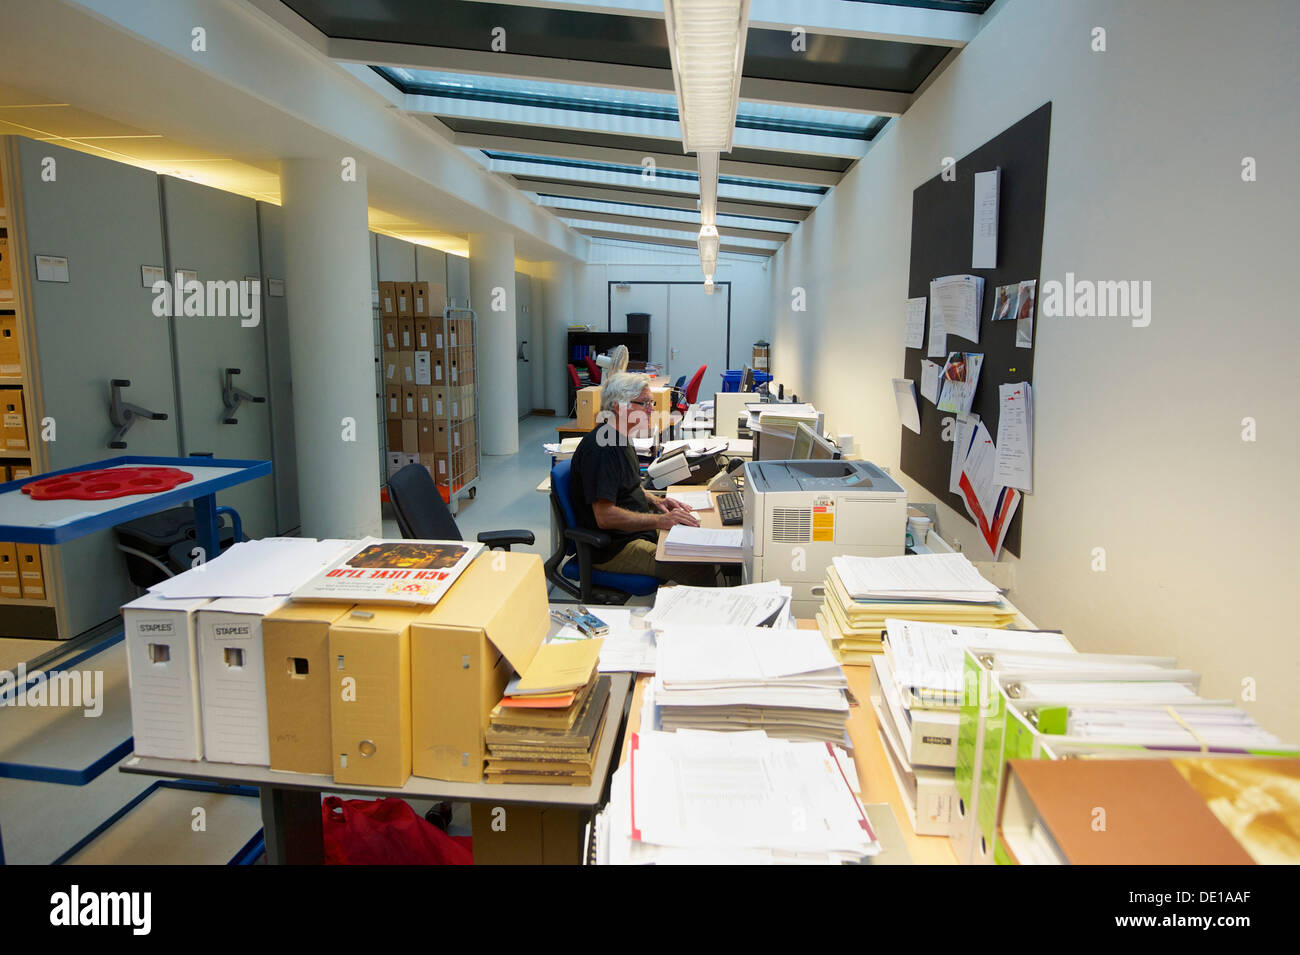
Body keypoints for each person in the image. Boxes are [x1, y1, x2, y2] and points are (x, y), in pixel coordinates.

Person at [569, 372, 721, 587]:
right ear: (618, 407)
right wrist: (660, 520)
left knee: (699, 541)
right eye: (644, 403)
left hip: (634, 533)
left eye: (651, 403)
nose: (652, 409)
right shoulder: (603, 450)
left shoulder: (619, 437)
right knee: (695, 563)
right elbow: (605, 516)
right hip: (615, 548)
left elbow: (626, 485)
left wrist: (655, 501)